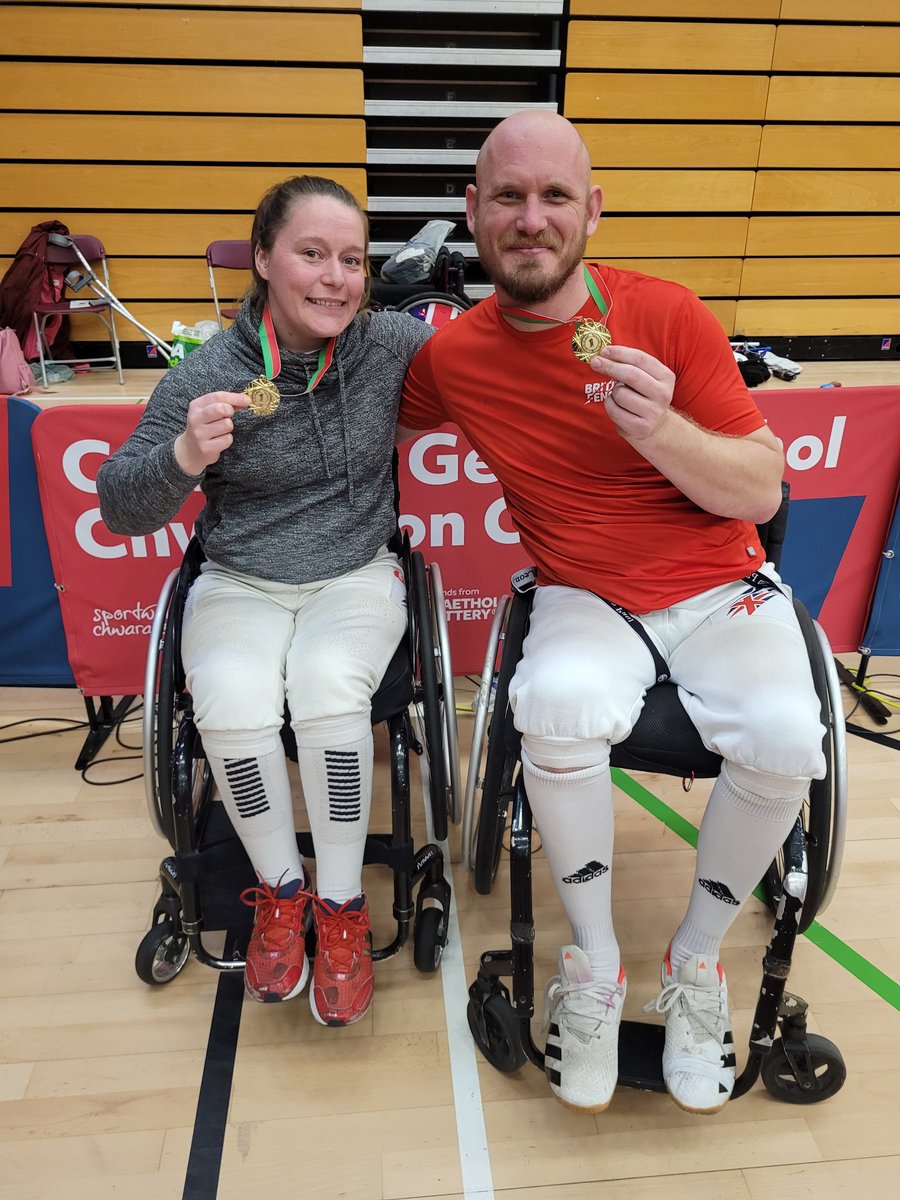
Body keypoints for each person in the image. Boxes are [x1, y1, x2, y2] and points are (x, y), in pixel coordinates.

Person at [398, 111, 825, 1113]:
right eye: (508, 197)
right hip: (585, 590)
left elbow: (762, 491)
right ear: (475, 213)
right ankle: (593, 965)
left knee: (785, 731)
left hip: (720, 583)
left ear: (592, 210)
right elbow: (355, 392)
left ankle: (696, 964)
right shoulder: (457, 358)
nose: (532, 219)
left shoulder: (666, 314)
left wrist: (663, 428)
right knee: (550, 702)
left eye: (555, 198)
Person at [98, 175, 433, 1025]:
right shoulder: (210, 372)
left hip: (356, 574)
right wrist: (179, 455)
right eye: (312, 254)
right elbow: (119, 503)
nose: (335, 278)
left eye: (352, 259)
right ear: (263, 259)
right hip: (242, 579)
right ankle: (282, 893)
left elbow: (491, 352)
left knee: (327, 682)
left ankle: (344, 908)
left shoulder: (388, 343)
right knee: (231, 694)